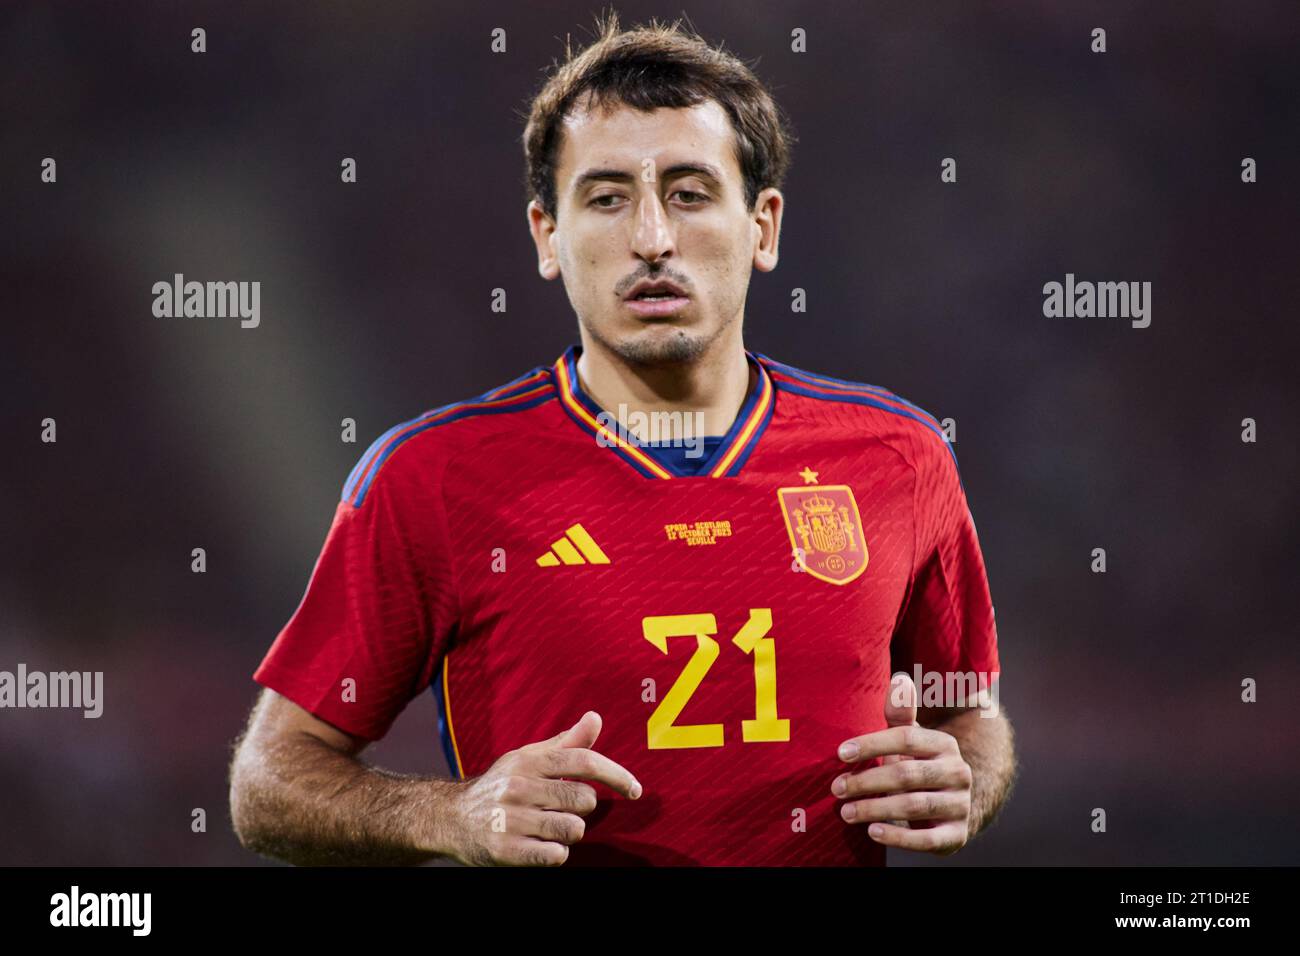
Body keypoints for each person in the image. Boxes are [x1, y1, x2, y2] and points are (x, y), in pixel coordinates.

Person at [228, 12, 1016, 866]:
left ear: (764, 227)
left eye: (689, 192)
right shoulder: (433, 480)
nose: (651, 240)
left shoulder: (899, 457)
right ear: (547, 236)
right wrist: (449, 815)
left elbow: (970, 715)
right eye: (606, 199)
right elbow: (268, 780)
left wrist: (966, 774)